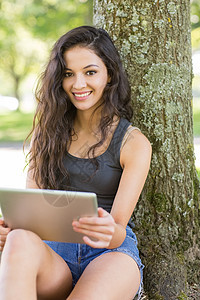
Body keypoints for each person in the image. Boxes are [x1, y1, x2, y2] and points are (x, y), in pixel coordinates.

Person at [0, 26, 152, 300]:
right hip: (54, 256)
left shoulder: (133, 143)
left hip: (110, 255)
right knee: (19, 239)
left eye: (90, 72)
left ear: (110, 75)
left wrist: (107, 229)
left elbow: (117, 232)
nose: (78, 84)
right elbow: (31, 217)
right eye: (68, 74)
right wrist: (11, 231)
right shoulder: (45, 135)